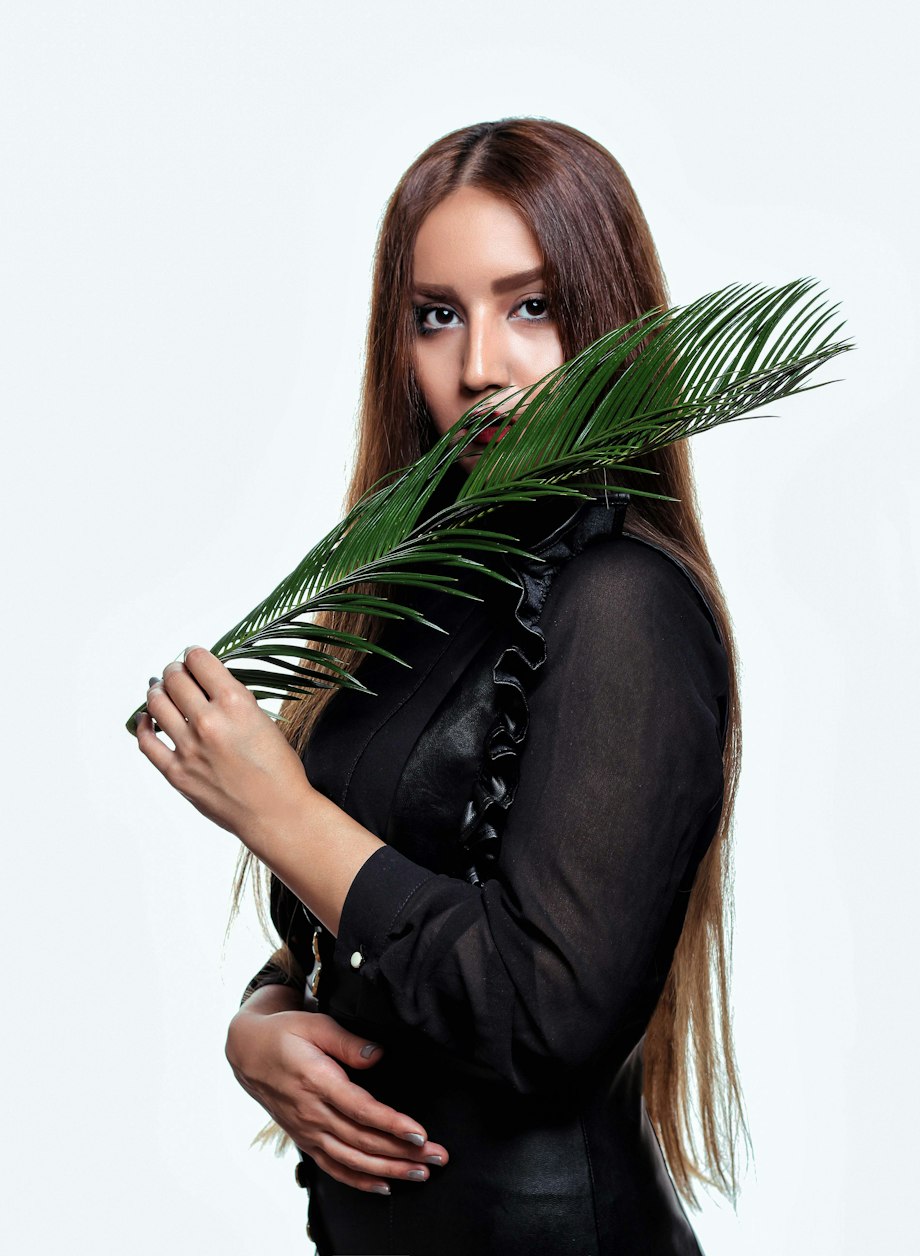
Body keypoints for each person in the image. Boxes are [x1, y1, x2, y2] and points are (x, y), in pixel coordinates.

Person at [136, 118, 746, 1255]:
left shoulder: (623, 601)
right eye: (435, 315)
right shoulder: (408, 588)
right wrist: (264, 1023)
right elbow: (383, 907)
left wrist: (277, 810)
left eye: (530, 306)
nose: (477, 366)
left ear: (607, 322)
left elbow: (544, 1009)